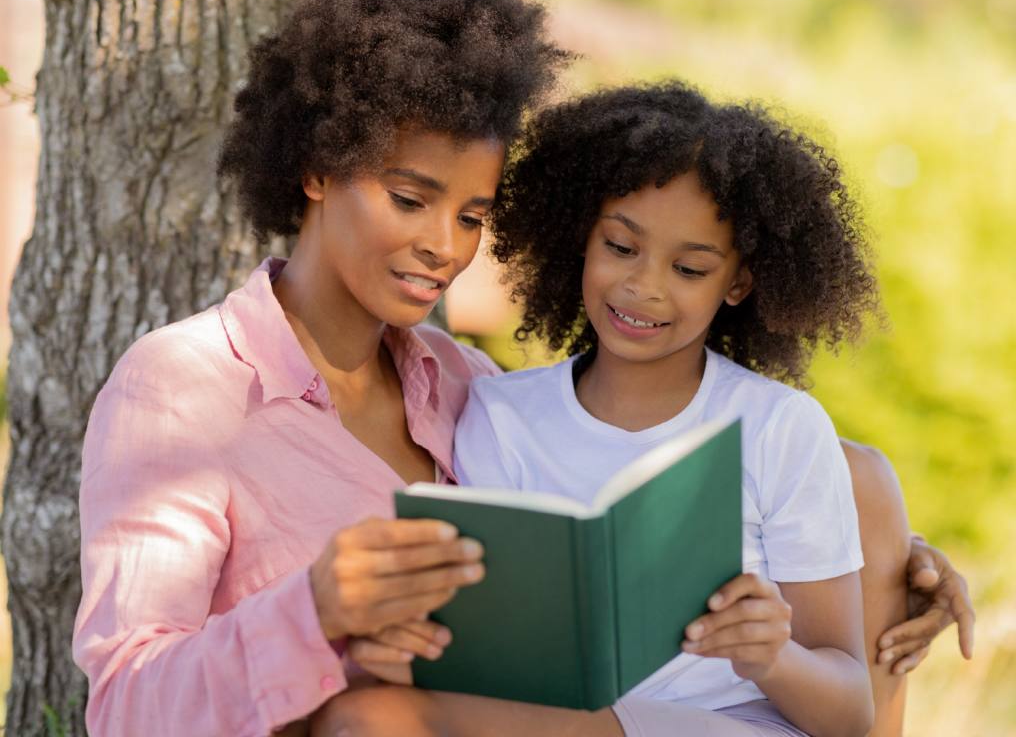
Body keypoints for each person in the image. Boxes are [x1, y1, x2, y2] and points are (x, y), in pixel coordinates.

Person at [311, 82, 973, 737]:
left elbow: (851, 712)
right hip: (562, 715)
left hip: (733, 724)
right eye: (621, 248)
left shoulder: (780, 427)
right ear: (581, 239)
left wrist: (771, 658)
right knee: (360, 720)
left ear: (737, 281)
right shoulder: (499, 413)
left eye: (689, 269)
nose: (644, 286)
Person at [71, 0, 567, 734]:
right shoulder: (180, 386)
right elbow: (125, 705)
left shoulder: (469, 382)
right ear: (317, 170)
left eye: (471, 217)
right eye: (409, 199)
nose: (443, 247)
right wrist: (314, 610)